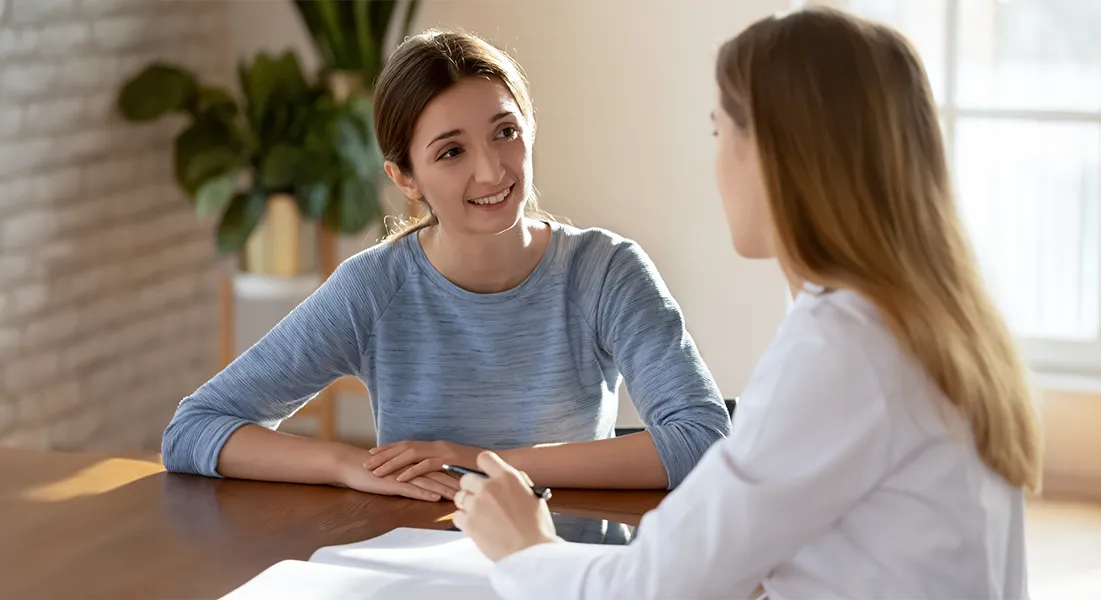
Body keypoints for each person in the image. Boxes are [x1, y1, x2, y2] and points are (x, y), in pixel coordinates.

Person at [450, 7, 1044, 599]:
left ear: (780, 155)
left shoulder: (840, 347)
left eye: (720, 132)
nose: (717, 164)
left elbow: (655, 588)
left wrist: (526, 547)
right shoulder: (935, 321)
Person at [160, 30, 732, 502]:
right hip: (415, 560)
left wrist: (482, 462)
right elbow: (194, 428)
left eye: (505, 133)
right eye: (451, 152)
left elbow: (702, 438)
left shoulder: (607, 271)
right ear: (405, 178)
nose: (491, 172)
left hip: (565, 564)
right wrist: (346, 464)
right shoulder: (376, 287)